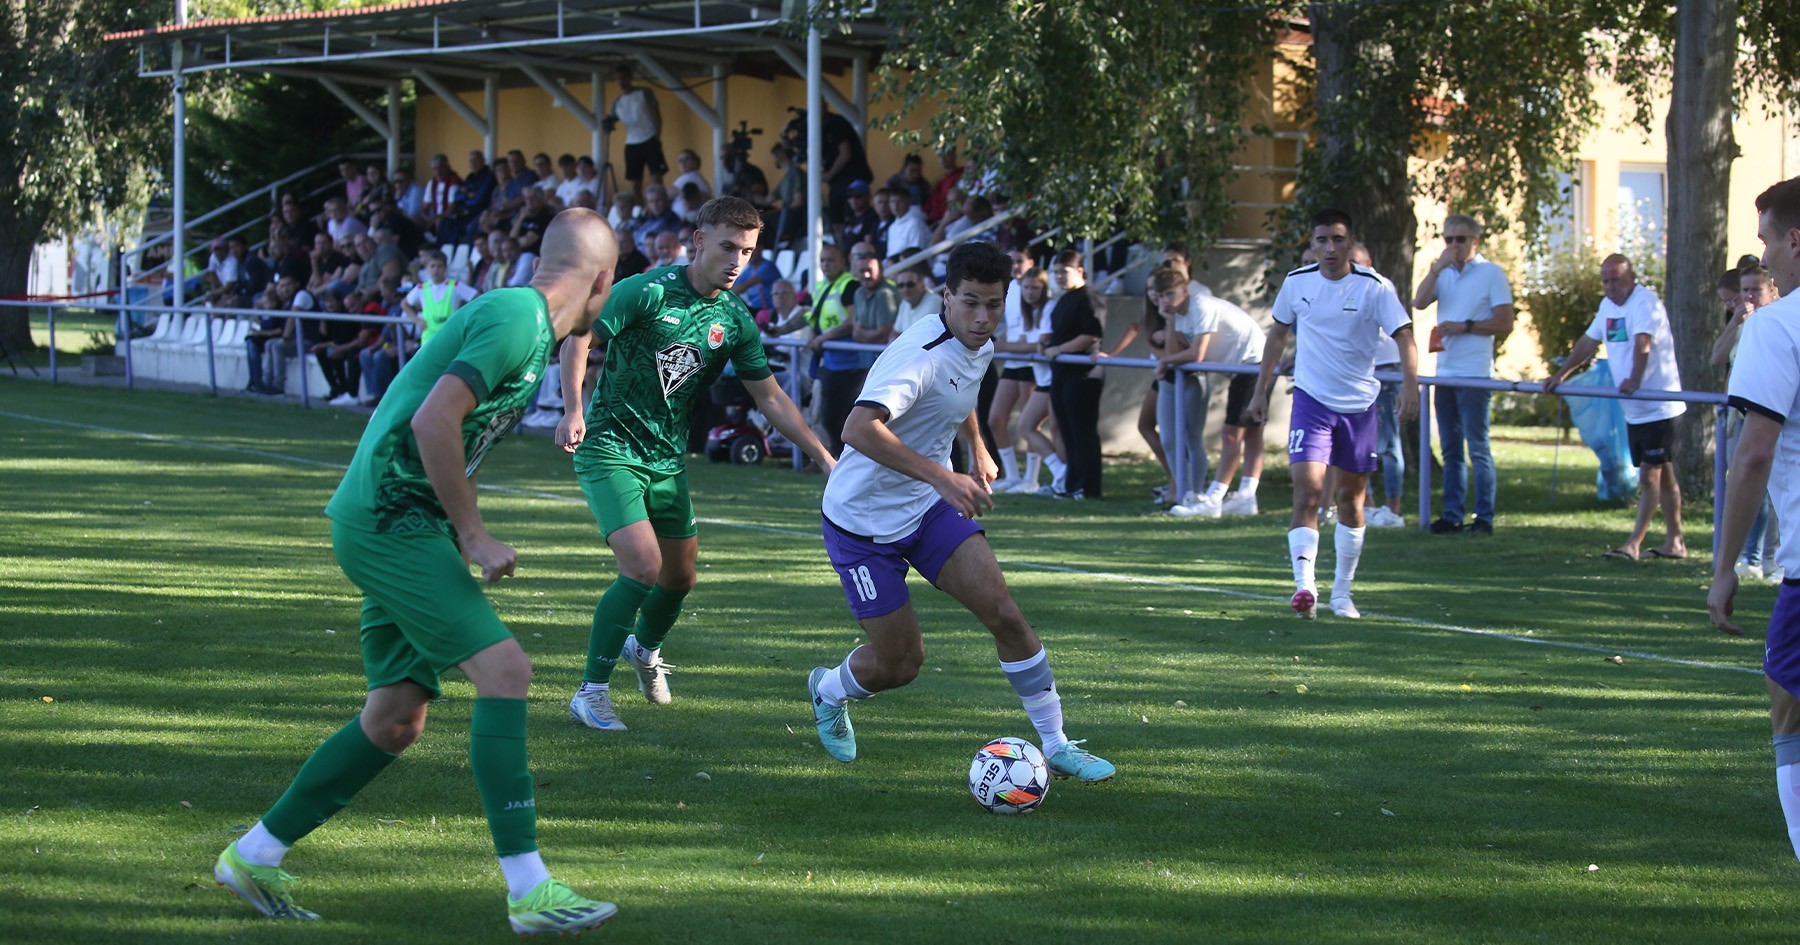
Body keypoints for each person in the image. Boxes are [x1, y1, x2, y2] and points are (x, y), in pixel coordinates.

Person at [212, 209, 624, 935]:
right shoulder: (514, 319)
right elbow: (434, 420)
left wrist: (574, 393)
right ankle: (529, 890)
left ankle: (254, 853)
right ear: (602, 279)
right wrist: (474, 532)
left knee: (397, 715)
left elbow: (577, 331)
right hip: (392, 519)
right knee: (507, 670)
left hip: (397, 519)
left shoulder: (532, 321)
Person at [806, 240, 1115, 783]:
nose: (981, 317)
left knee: (1006, 614)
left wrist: (977, 448)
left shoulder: (980, 345)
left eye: (993, 305)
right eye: (969, 302)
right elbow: (857, 429)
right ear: (945, 297)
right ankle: (829, 690)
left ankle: (1057, 744)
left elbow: (961, 392)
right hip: (861, 523)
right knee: (901, 664)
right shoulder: (918, 354)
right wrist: (943, 475)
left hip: (924, 508)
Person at [555, 197, 836, 732]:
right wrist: (573, 408)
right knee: (642, 567)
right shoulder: (648, 289)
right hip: (611, 447)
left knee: (680, 578)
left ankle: (646, 650)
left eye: (748, 251)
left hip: (668, 459)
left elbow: (771, 398)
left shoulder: (734, 318)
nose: (737, 260)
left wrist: (822, 455)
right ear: (699, 239)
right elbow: (580, 335)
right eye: (728, 246)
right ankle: (591, 691)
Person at [1244, 209, 1419, 620]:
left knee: (1350, 499)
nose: (1329, 248)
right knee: (1306, 493)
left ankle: (1342, 593)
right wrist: (1260, 391)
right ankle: (1305, 587)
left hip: (1358, 406)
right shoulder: (1296, 282)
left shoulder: (1374, 288)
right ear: (1311, 244)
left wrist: (1410, 386)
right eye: (1321, 240)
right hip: (1310, 401)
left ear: (1351, 244)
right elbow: (1277, 335)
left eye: (1338, 239)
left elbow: (1405, 336)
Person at [1708, 174, 1800, 863]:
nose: (1761, 254)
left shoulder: (1776, 325)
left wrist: (1723, 568)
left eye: (1766, 240)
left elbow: (1753, 455)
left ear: (1795, 239)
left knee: (1788, 705)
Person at [1544, 254, 1687, 561]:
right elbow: (1587, 342)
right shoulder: (1608, 307)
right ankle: (1676, 542)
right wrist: (1560, 375)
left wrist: (1634, 378)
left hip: (1660, 407)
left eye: (1616, 280)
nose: (1610, 287)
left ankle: (1633, 543)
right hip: (1634, 409)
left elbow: (1643, 343)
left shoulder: (1644, 303)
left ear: (1631, 278)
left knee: (1650, 475)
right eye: (1605, 281)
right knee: (1664, 476)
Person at [1413, 214, 1514, 536]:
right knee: (1451, 448)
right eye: (1448, 239)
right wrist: (1435, 268)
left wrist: (1466, 326)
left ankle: (1484, 518)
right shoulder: (1442, 273)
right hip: (1446, 373)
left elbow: (1504, 322)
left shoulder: (1491, 274)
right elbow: (1418, 302)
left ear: (1475, 241)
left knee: (1478, 446)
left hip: (1475, 375)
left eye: (1460, 239)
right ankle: (1452, 515)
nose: (1454, 246)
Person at [1158, 271, 1267, 518]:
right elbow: (1177, 351)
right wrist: (1169, 322)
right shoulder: (1180, 316)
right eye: (1161, 296)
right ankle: (1246, 497)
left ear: (1185, 290)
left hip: (1253, 362)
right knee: (1250, 432)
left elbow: (1196, 354)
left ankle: (1214, 499)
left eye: (1170, 294)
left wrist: (1165, 361)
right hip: (1241, 368)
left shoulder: (1200, 305)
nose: (1165, 300)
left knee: (1232, 433)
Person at [810, 243, 897, 455]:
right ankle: (842, 460)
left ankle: (854, 460)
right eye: (823, 260)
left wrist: (826, 336)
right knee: (831, 417)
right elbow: (856, 330)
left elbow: (881, 332)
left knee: (850, 418)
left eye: (831, 260)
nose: (826, 265)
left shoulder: (864, 288)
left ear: (843, 261)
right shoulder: (836, 288)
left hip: (859, 364)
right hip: (835, 361)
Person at [1040, 250, 1106, 499]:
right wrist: (1045, 344)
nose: (1059, 276)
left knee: (1082, 431)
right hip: (1062, 372)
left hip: (1083, 374)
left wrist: (1060, 349)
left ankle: (1088, 488)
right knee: (1066, 431)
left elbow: (1092, 333)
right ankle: (1071, 484)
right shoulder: (1063, 299)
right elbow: (1056, 333)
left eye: (1064, 271)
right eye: (1056, 272)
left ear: (1080, 271)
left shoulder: (1090, 297)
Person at [608, 65, 666, 200]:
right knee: (635, 181)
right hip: (632, 142)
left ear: (630, 78)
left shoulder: (644, 93)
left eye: (624, 78)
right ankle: (638, 209)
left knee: (656, 177)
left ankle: (659, 205)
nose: (621, 81)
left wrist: (657, 137)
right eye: (618, 78)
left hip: (650, 138)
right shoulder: (617, 102)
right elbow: (612, 119)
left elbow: (656, 115)